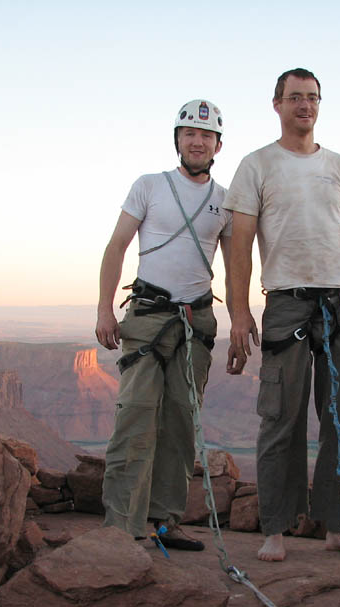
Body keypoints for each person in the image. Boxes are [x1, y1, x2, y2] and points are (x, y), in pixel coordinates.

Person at [223, 68, 340, 562]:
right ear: (276, 104)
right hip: (286, 302)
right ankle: (275, 529)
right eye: (295, 97)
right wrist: (239, 311)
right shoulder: (256, 166)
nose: (306, 105)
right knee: (281, 417)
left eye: (313, 97)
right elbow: (240, 247)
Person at [95, 99, 232, 551]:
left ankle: (164, 521)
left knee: (180, 423)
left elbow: (235, 266)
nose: (197, 141)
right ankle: (121, 527)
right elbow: (116, 246)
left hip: (196, 321)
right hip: (149, 317)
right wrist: (103, 310)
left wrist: (241, 321)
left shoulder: (226, 201)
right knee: (135, 417)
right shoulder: (149, 186)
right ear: (177, 140)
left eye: (206, 135)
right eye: (189, 134)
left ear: (217, 144)